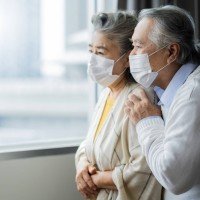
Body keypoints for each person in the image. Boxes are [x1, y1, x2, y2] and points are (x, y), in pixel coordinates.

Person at [75, 11, 161, 200]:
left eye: (100, 52)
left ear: (126, 58)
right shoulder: (107, 93)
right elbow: (92, 142)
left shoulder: (138, 98)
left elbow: (143, 168)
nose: (92, 60)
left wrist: (96, 180)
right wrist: (82, 165)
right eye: (91, 51)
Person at [125, 5, 200, 200]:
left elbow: (174, 177)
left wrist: (146, 121)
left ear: (171, 52)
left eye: (139, 46)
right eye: (132, 46)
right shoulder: (157, 89)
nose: (131, 55)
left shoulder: (193, 95)